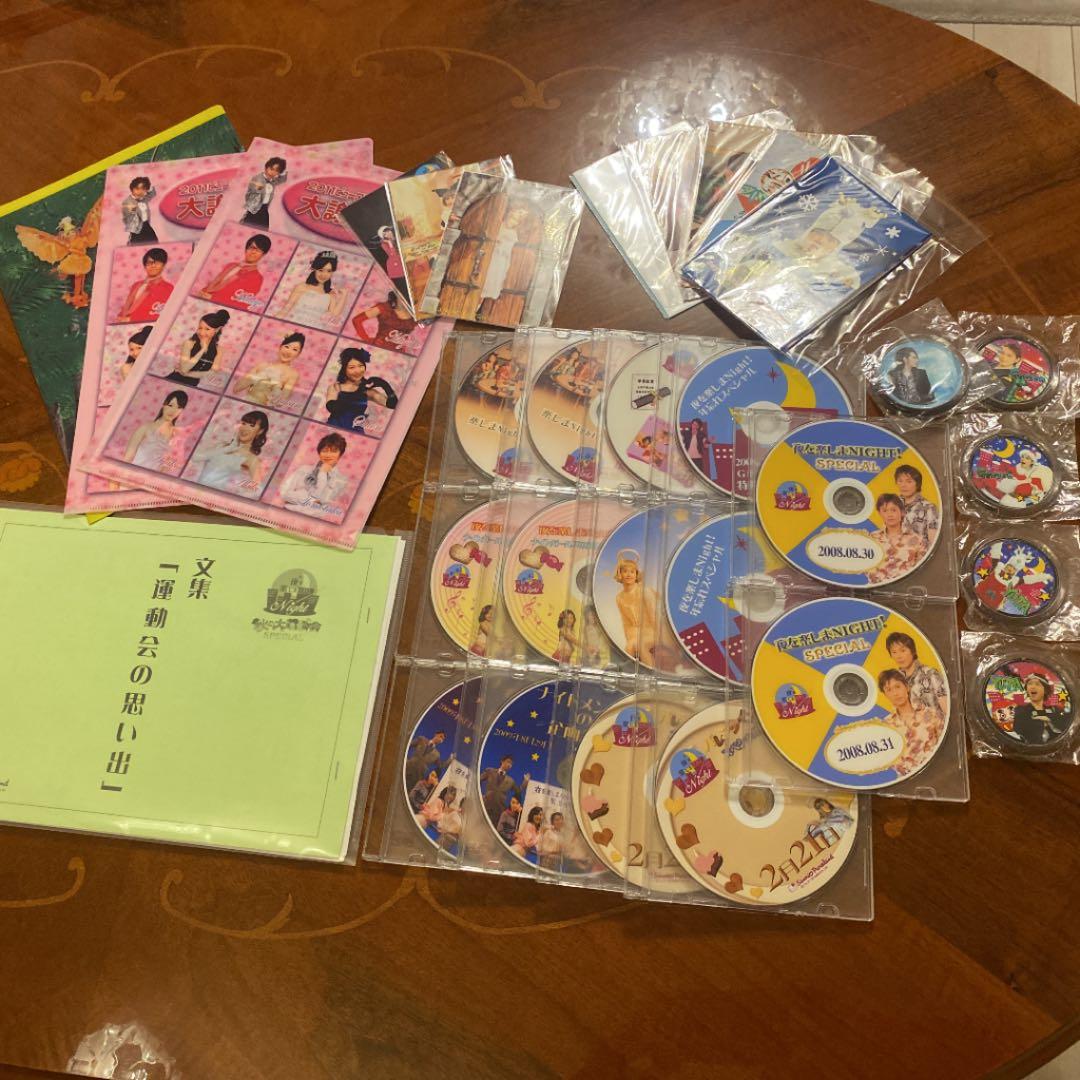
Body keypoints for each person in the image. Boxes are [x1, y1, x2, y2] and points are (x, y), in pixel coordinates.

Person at [878, 669, 944, 777]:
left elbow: (945, 743)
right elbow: (889, 759)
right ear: (885, 695)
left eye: (897, 687)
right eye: (889, 690)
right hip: (908, 780)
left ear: (907, 687)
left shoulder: (931, 714)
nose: (895, 693)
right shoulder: (885, 726)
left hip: (938, 771)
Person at [192, 411, 270, 494]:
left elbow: (257, 488)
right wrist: (228, 448)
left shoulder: (251, 458)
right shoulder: (221, 446)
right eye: (243, 423)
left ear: (260, 431)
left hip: (213, 495)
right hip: (194, 490)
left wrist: (236, 492)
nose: (245, 428)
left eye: (251, 425)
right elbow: (195, 458)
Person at [323, 347, 398, 432]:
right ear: (344, 369)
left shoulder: (368, 391)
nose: (357, 371)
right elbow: (331, 407)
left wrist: (385, 385)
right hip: (334, 429)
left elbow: (394, 405)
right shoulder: (336, 387)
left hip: (356, 432)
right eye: (352, 367)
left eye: (361, 366)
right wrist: (358, 392)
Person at [280, 432, 349, 516]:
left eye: (334, 451)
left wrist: (323, 472)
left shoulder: (341, 480)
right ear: (319, 452)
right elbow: (285, 493)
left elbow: (323, 502)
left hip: (311, 519)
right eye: (325, 451)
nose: (328, 455)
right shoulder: (304, 469)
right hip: (287, 512)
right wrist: (313, 501)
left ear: (340, 454)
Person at [197, 234, 272, 310]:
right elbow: (215, 283)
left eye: (258, 250)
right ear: (246, 249)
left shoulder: (256, 278)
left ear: (263, 254)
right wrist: (203, 291)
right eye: (251, 248)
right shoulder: (231, 265)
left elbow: (243, 304)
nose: (253, 252)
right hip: (201, 300)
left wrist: (213, 298)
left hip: (219, 308)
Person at [232, 331, 306, 407]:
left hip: (261, 409)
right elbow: (236, 388)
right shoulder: (262, 365)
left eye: (294, 349)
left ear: (298, 354)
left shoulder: (292, 374)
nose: (288, 351)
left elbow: (280, 403)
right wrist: (258, 376)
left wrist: (277, 385)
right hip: (244, 404)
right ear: (280, 347)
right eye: (287, 346)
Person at [885, 631, 948, 718]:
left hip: (936, 724)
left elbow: (947, 710)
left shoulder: (931, 674)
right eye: (894, 652)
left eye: (903, 650)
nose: (899, 656)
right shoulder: (895, 680)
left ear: (913, 651)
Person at [867, 492, 926, 584]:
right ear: (879, 513)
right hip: (876, 588)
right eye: (885, 511)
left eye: (893, 510)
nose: (889, 514)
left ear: (902, 512)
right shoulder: (871, 538)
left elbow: (922, 570)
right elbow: (866, 566)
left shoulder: (917, 539)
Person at [277, 250, 346, 327]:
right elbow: (286, 309)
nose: (324, 275)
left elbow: (333, 315)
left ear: (332, 272)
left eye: (329, 271)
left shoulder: (330, 294)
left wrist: (344, 295)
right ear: (315, 269)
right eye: (321, 270)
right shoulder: (302, 287)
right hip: (294, 325)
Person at [122, 390, 187, 471]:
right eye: (170, 405)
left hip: (153, 477)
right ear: (164, 404)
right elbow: (127, 457)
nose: (173, 410)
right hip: (133, 472)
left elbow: (175, 462)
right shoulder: (146, 427)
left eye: (179, 407)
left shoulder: (177, 435)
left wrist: (165, 469)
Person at [613, 550, 659, 662]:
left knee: (639, 646)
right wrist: (630, 639)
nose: (629, 574)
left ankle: (651, 671)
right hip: (635, 635)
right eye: (625, 571)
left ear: (636, 574)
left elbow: (655, 617)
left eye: (632, 572)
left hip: (653, 632)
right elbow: (626, 623)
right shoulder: (619, 598)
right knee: (630, 647)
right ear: (620, 574)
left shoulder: (644, 591)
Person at [166, 309, 230, 388]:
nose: (202, 332)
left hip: (191, 385)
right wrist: (202, 350)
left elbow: (212, 372)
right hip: (173, 380)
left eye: (207, 329)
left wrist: (188, 374)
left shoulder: (219, 350)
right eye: (200, 328)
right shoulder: (189, 343)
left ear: (217, 329)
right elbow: (184, 369)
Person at [1012, 672, 1071, 745]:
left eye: (1037, 684)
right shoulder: (1021, 710)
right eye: (1030, 684)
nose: (1033, 687)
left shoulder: (1054, 710)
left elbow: (1067, 727)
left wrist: (1049, 720)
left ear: (1045, 690)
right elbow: (1018, 732)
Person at [118, 248, 173, 322]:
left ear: (163, 265)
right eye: (149, 263)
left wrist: (131, 319)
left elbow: (161, 314)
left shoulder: (167, 288)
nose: (153, 266)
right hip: (123, 325)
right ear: (145, 265)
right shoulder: (136, 285)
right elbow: (128, 306)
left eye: (157, 263)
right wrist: (120, 316)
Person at [351, 291, 416, 350]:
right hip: (379, 349)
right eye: (402, 297)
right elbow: (356, 320)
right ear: (396, 295)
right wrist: (367, 340)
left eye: (408, 298)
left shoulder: (415, 315)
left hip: (399, 352)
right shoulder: (385, 308)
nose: (405, 300)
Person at [894, 464, 939, 550]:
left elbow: (933, 541)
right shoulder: (893, 504)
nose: (903, 485)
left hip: (918, 555)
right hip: (895, 554)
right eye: (900, 481)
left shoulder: (929, 508)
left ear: (917, 484)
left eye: (909, 481)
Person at [479, 755, 528, 824]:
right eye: (508, 762)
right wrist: (480, 795)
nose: (509, 765)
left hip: (498, 811)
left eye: (511, 764)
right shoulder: (490, 771)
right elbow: (478, 780)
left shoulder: (511, 781)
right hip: (485, 806)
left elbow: (518, 791)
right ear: (502, 761)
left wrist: (525, 782)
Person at [240, 156, 287, 228]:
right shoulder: (258, 178)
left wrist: (282, 172)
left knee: (263, 230)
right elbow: (256, 190)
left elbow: (283, 179)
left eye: (277, 171)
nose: (273, 172)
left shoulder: (272, 181)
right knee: (248, 227)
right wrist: (261, 186)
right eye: (271, 169)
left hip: (264, 208)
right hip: (254, 208)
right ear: (266, 167)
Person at [121, 176, 158, 244]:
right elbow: (129, 218)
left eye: (143, 189)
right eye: (137, 189)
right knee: (137, 245)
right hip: (136, 229)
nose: (140, 191)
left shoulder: (143, 199)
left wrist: (148, 187)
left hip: (146, 225)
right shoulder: (128, 202)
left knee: (154, 243)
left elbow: (153, 193)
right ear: (132, 189)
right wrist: (134, 207)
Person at [375, 225, 407, 293]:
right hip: (395, 267)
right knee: (403, 286)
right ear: (384, 236)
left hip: (402, 262)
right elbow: (393, 255)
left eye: (388, 230)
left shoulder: (397, 239)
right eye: (385, 233)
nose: (389, 233)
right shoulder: (384, 244)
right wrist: (390, 243)